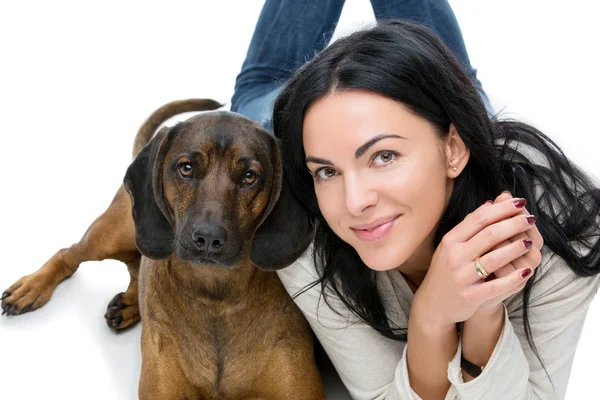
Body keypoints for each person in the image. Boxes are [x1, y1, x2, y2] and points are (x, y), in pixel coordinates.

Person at [233, 1, 600, 400]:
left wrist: (482, 312)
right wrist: (431, 317)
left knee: (449, 90)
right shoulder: (300, 232)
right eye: (326, 171)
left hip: (472, 155)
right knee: (261, 95)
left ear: (454, 148)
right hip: (409, 134)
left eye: (383, 156)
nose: (354, 203)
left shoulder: (559, 226)